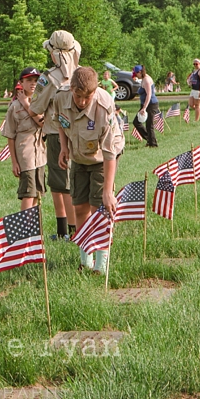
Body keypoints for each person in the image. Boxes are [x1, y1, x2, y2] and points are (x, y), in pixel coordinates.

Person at [54, 66, 123, 274]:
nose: (82, 101)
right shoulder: (61, 98)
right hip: (78, 158)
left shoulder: (104, 106)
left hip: (102, 159)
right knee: (80, 208)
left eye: (88, 96)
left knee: (99, 210)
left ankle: (101, 265)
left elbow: (110, 153)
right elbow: (60, 122)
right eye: (78, 95)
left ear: (96, 90)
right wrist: (64, 147)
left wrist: (108, 191)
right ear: (71, 88)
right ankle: (86, 261)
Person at [28, 30, 80, 240]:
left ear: (54, 54)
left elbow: (35, 107)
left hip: (57, 136)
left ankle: (71, 231)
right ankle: (67, 230)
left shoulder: (49, 78)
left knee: (61, 185)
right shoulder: (81, 73)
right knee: (69, 182)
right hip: (80, 134)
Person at [1, 68, 46, 210]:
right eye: (29, 80)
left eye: (35, 80)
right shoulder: (14, 107)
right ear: (21, 82)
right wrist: (14, 162)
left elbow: (43, 123)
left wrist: (27, 105)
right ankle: (25, 230)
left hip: (40, 154)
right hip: (25, 155)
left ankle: (34, 228)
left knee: (37, 194)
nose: (33, 84)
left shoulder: (41, 102)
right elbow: (10, 135)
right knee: (28, 194)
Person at [132, 65, 160, 148]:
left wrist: (144, 108)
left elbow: (149, 94)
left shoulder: (147, 80)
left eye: (136, 73)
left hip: (151, 104)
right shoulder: (143, 79)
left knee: (149, 125)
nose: (135, 75)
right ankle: (149, 138)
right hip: (145, 104)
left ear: (140, 72)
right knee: (136, 122)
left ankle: (153, 144)